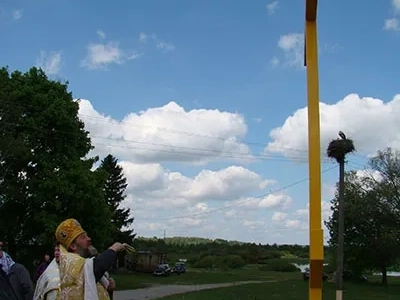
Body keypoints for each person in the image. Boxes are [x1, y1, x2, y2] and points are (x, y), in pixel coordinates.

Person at [55, 218, 126, 300]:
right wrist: (114, 248)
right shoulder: (71, 264)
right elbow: (96, 268)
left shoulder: (85, 265)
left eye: (87, 236)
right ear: (73, 246)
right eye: (83, 237)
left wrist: (109, 290)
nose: (89, 239)